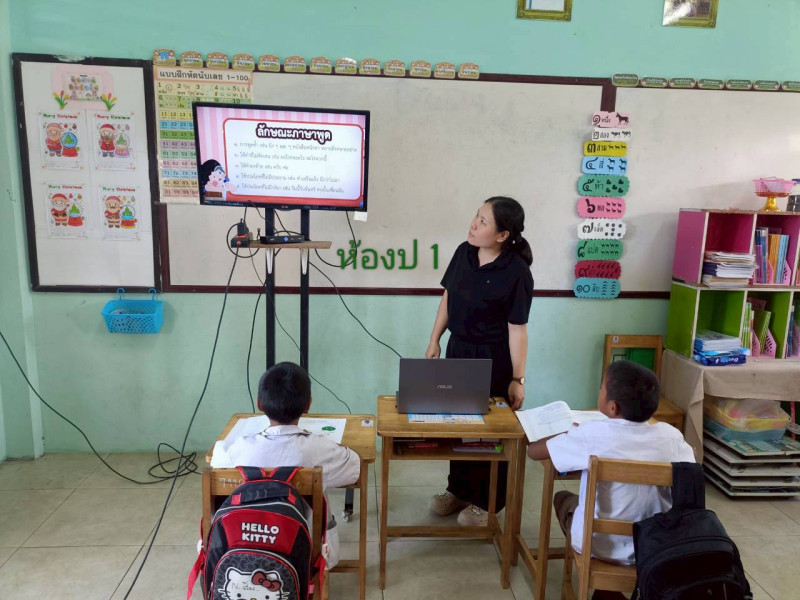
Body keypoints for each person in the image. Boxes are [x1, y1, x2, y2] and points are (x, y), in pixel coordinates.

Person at [527, 360, 695, 599]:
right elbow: (691, 472)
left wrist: (569, 433)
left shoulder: (590, 434)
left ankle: (606, 591)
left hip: (598, 547)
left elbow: (534, 452)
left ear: (613, 407)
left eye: (601, 388)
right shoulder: (672, 437)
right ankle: (608, 593)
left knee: (563, 499)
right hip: (655, 546)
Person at [426, 196, 534, 527]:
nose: (473, 224)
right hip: (459, 350)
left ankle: (489, 503)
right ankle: (458, 490)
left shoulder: (517, 272)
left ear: (502, 235)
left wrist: (518, 379)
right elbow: (448, 296)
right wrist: (435, 339)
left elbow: (518, 329)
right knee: (458, 425)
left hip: (493, 359)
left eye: (483, 221)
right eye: (476, 216)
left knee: (489, 432)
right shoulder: (464, 252)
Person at [210, 362, 360, 569]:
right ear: (308, 405)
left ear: (259, 404)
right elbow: (353, 469)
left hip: (238, 549)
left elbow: (216, 461)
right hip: (304, 554)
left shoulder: (235, 449)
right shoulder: (319, 449)